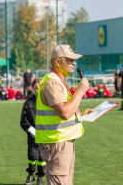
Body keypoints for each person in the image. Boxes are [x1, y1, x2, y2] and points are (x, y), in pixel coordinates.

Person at [36, 45, 93, 184]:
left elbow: (65, 111)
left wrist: (81, 115)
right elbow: (65, 113)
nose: (74, 63)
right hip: (57, 143)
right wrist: (80, 91)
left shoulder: (58, 81)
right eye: (69, 59)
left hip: (62, 142)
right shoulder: (52, 83)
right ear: (57, 61)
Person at [20, 78, 45, 185]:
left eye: (39, 85)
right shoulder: (28, 103)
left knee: (42, 157)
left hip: (45, 135)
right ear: (33, 88)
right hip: (33, 136)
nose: (37, 87)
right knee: (32, 156)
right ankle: (30, 175)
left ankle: (40, 177)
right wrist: (31, 131)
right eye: (35, 85)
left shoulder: (47, 103)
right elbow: (23, 121)